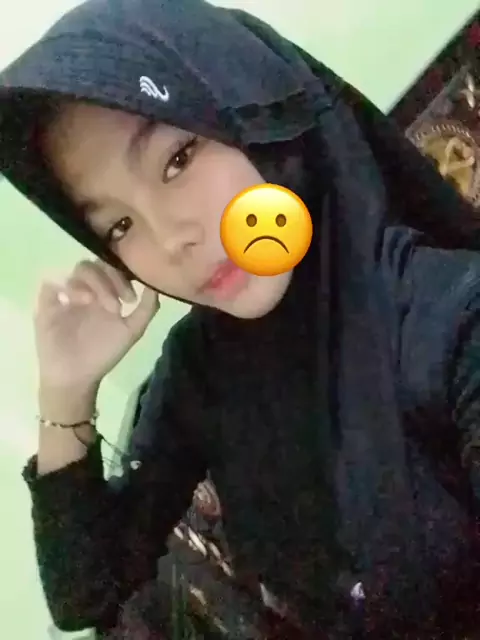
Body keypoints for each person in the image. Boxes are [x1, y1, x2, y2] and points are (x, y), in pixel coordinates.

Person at [0, 0, 479, 636]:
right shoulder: (200, 371)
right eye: (118, 225)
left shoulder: (452, 317)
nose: (172, 240)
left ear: (266, 122)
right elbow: (87, 593)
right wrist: (64, 394)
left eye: (178, 158)